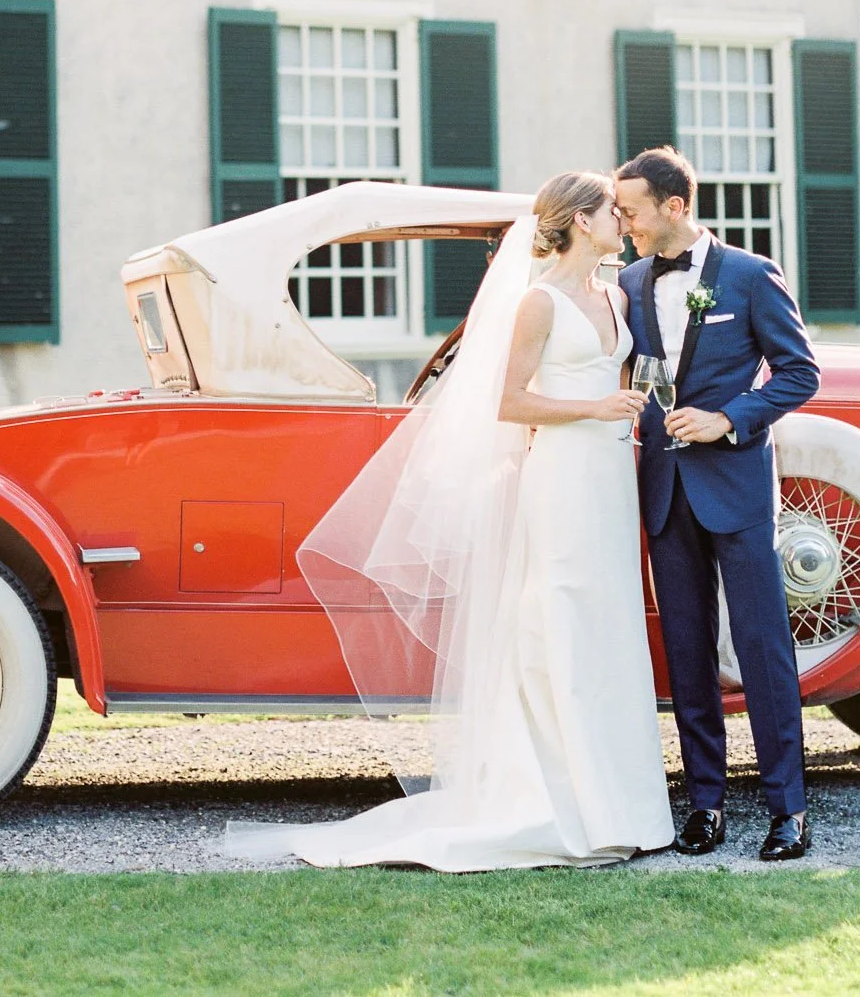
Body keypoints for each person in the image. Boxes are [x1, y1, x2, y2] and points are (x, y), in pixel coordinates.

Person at [227, 172, 674, 871]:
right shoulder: (539, 302)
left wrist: (634, 404)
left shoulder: (614, 294)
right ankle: (563, 803)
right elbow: (512, 402)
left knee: (608, 626)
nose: (623, 220)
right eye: (611, 211)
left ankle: (626, 806)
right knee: (556, 616)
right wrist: (591, 410)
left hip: (611, 476)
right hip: (560, 476)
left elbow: (622, 382)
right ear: (582, 222)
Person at [615, 146, 820, 863]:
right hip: (665, 491)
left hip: (734, 484)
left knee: (764, 647)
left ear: (675, 207)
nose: (624, 224)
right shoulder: (631, 279)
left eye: (633, 211)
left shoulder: (750, 274)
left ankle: (787, 809)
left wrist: (728, 417)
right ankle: (705, 802)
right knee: (686, 651)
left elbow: (799, 373)